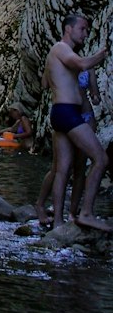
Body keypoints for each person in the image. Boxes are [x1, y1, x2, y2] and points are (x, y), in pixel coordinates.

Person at [43, 12, 110, 230]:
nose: (86, 33)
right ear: (68, 29)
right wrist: (102, 53)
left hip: (60, 112)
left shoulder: (59, 52)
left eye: (88, 30)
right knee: (100, 158)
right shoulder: (61, 48)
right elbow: (81, 64)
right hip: (68, 113)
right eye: (82, 29)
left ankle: (59, 223)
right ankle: (86, 213)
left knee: (62, 169)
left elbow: (44, 82)